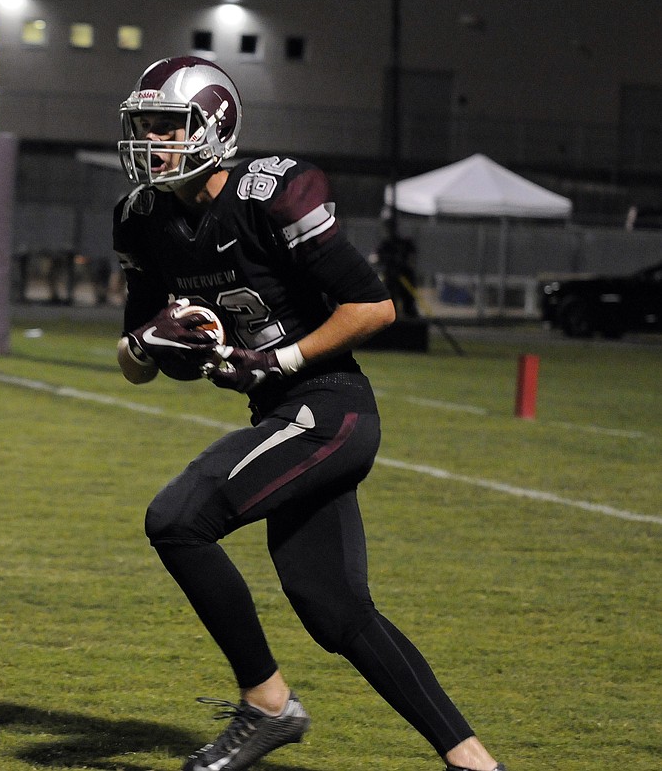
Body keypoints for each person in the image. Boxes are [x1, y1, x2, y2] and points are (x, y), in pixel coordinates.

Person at [113, 56, 507, 771]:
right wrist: (149, 343)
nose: (151, 140)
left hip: (328, 409)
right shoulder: (144, 220)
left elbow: (375, 305)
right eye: (144, 125)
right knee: (333, 607)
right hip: (281, 414)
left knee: (177, 517)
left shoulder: (271, 194)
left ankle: (267, 705)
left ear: (215, 124)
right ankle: (475, 762)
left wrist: (276, 360)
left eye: (167, 125)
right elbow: (137, 359)